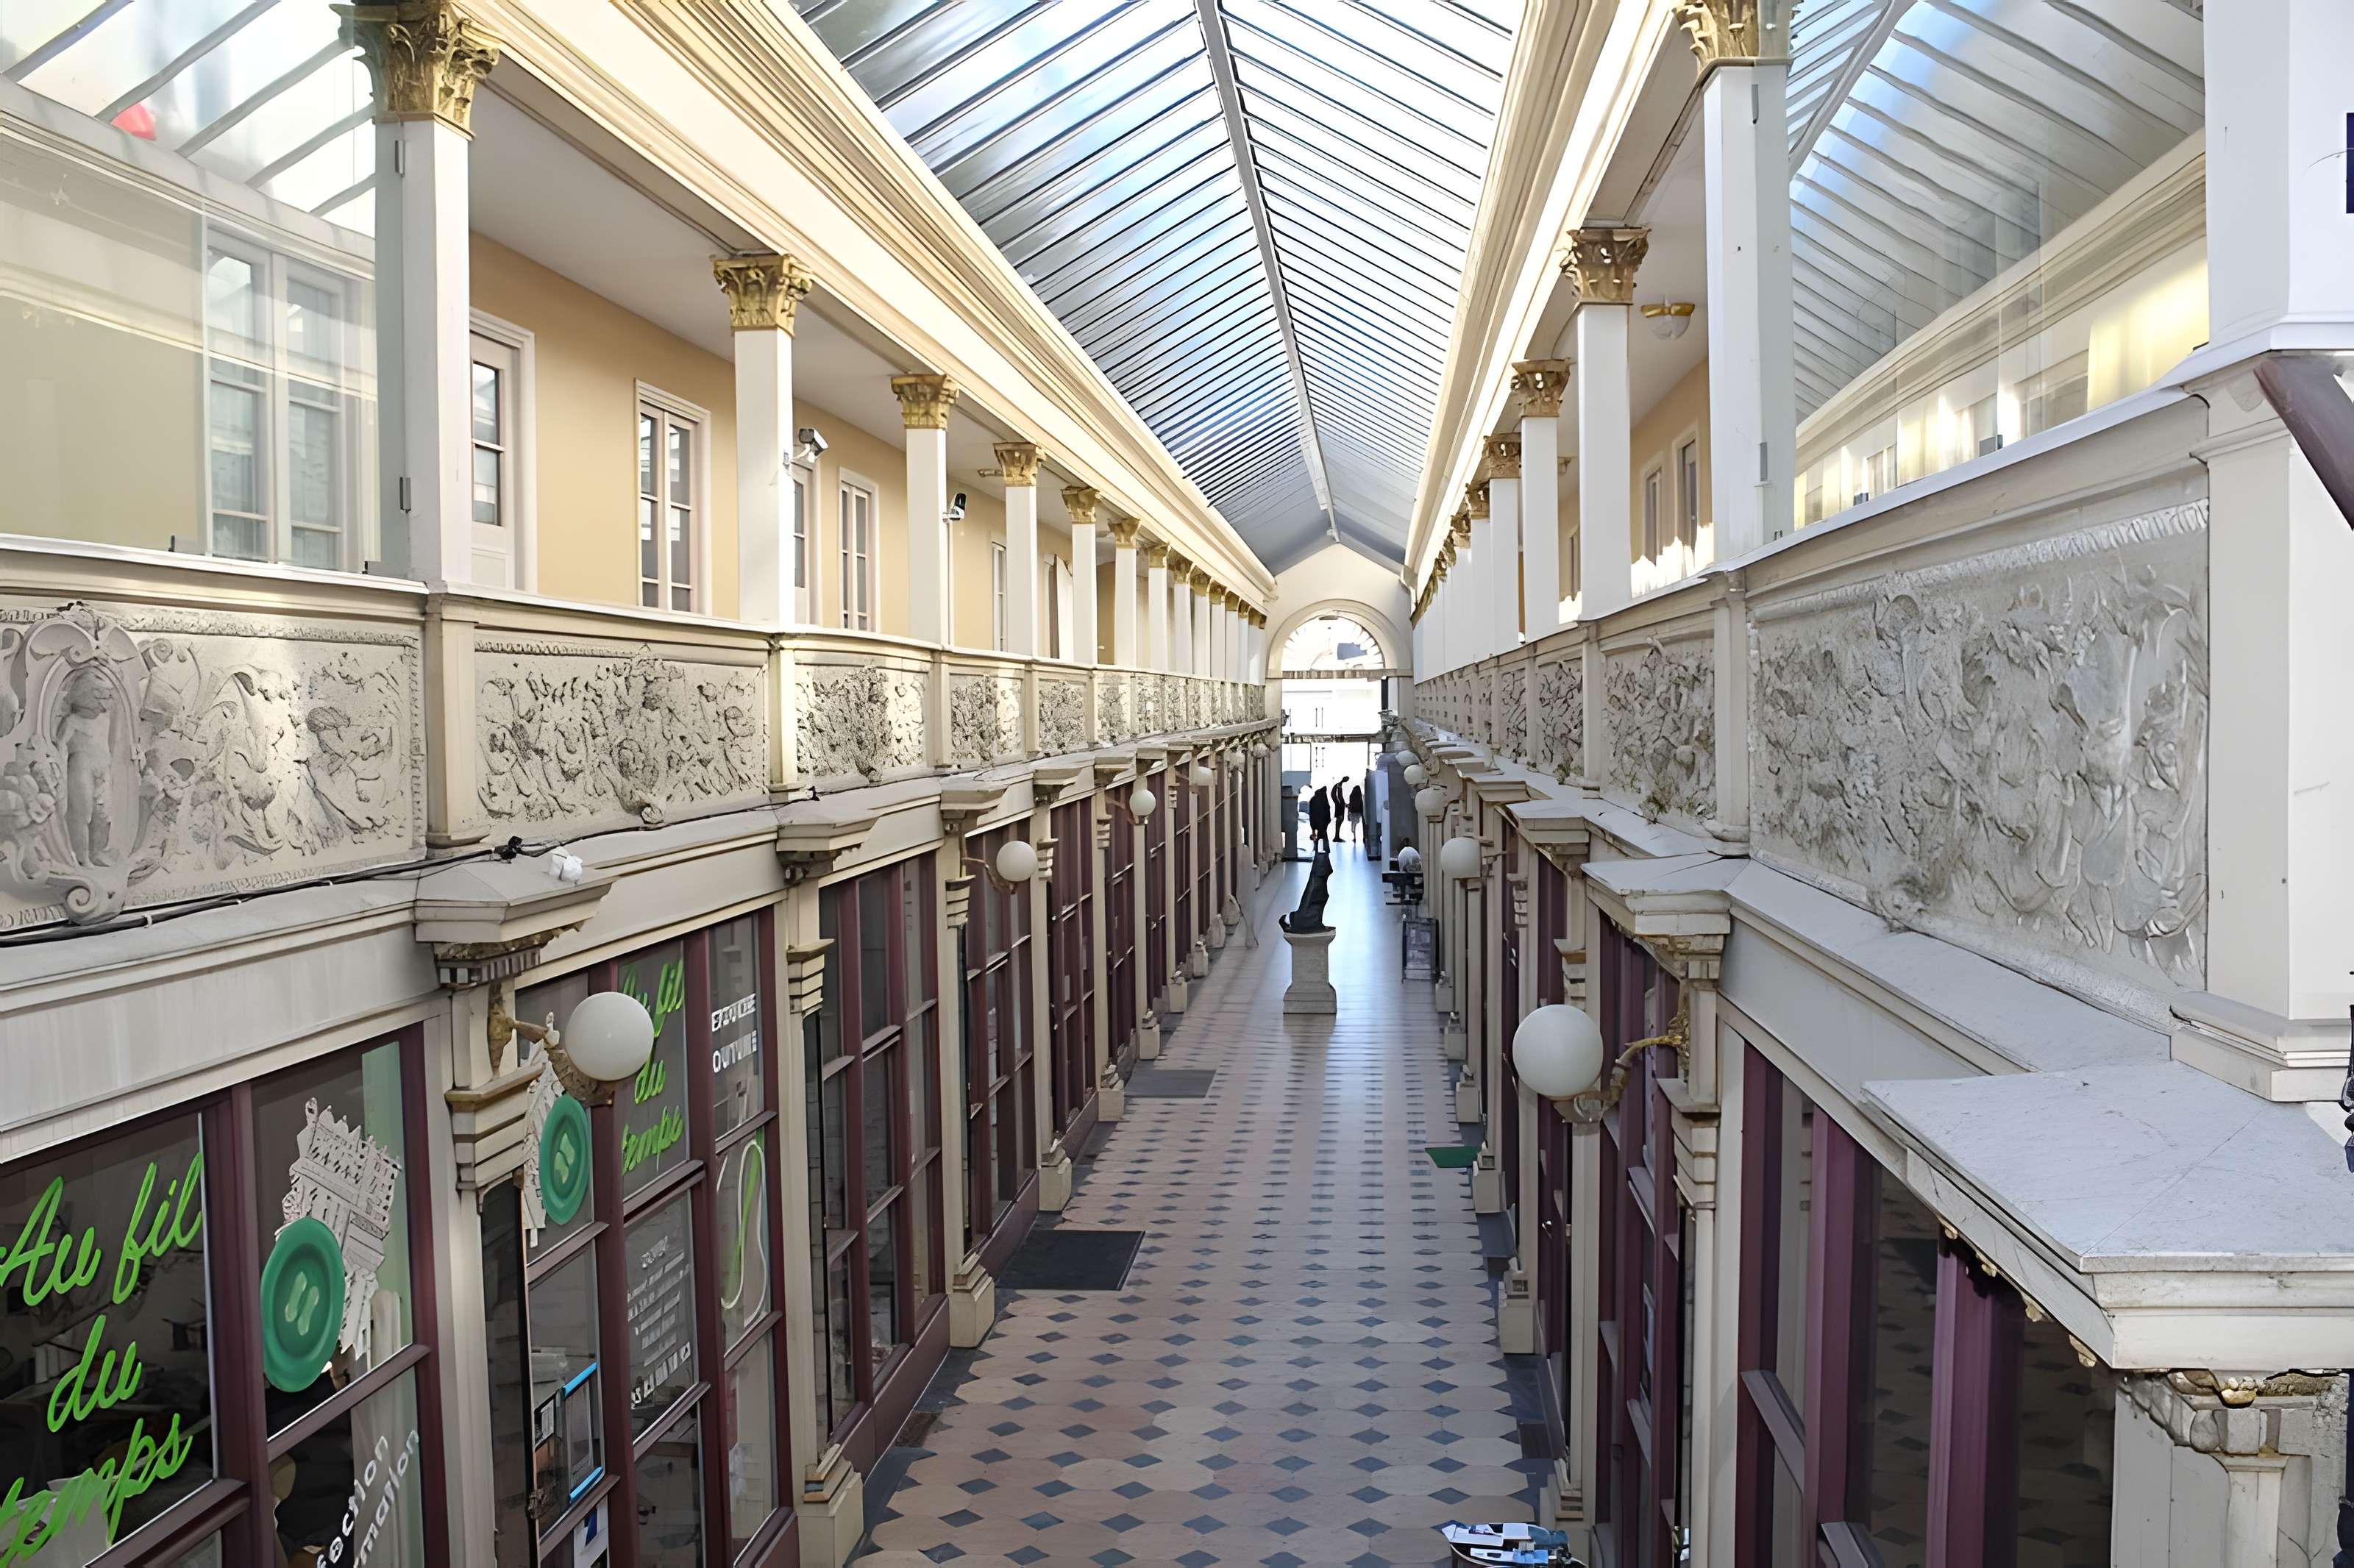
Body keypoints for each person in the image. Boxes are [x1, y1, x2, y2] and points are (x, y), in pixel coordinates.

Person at [1306, 785, 1331, 852]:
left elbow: (1311, 814)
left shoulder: (1313, 800)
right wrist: (1328, 821)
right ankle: (1325, 849)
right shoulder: (1323, 799)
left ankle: (1317, 847)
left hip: (1316, 822)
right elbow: (1327, 810)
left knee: (1319, 836)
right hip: (1323, 823)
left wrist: (1312, 826)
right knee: (1323, 836)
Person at [1346, 780, 1365, 847]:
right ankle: (1355, 831)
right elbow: (1361, 806)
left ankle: (1354, 836)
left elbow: (1350, 804)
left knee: (1353, 823)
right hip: (1358, 813)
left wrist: (1348, 810)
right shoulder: (1360, 797)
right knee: (1356, 824)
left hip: (1353, 812)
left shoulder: (1352, 796)